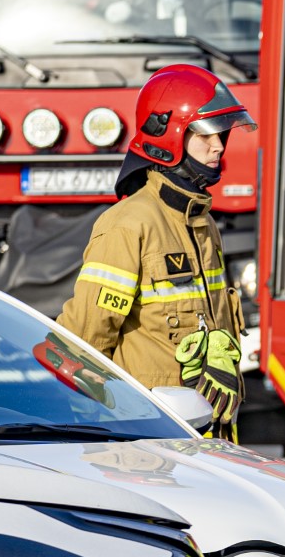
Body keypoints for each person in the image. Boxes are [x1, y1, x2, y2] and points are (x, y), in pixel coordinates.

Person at [57, 64, 254, 433]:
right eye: (207, 135)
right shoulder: (128, 225)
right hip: (149, 440)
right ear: (170, 135)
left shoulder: (202, 221)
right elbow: (85, 340)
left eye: (223, 135)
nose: (219, 147)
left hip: (210, 433)